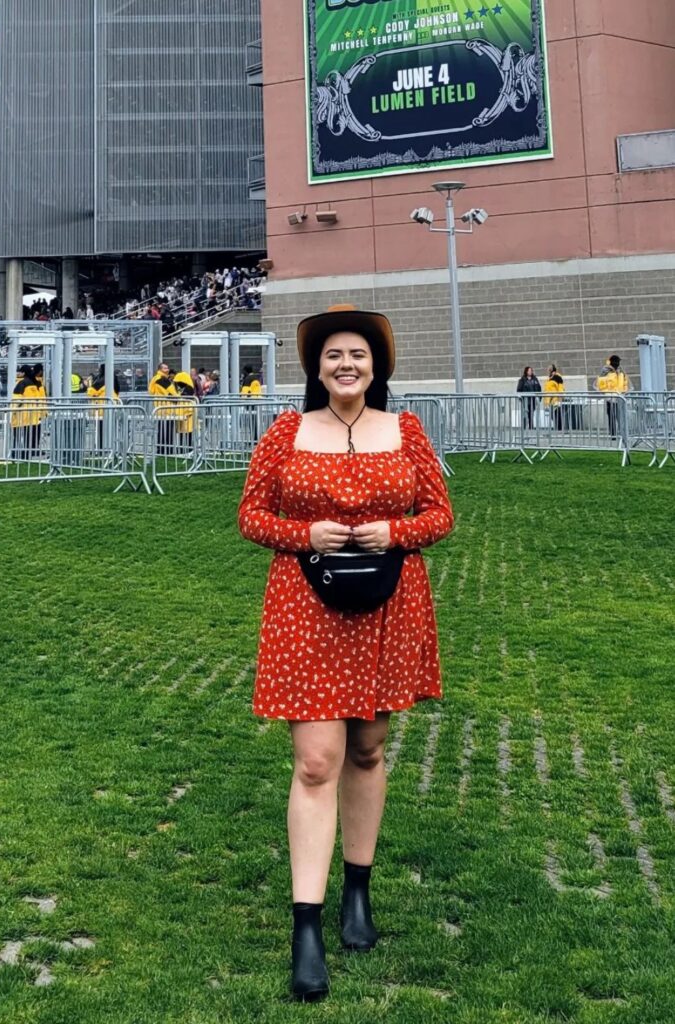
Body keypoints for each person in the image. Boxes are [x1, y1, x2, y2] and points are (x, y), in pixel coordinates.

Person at [238, 303, 454, 1001]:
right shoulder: (286, 432)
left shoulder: (406, 431)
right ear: (315, 366)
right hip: (305, 608)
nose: (345, 366)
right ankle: (307, 925)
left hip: (390, 604)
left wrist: (395, 530)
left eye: (357, 355)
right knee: (315, 761)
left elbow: (439, 514)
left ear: (376, 365)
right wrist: (305, 536)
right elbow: (250, 515)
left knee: (366, 748)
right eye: (333, 355)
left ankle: (356, 892)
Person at [11, 364, 46, 460]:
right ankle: (30, 452)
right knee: (31, 436)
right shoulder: (36, 383)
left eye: (20, 371)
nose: (18, 373)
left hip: (21, 415)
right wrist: (43, 412)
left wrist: (12, 411)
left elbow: (17, 399)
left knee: (18, 436)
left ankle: (16, 453)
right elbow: (41, 399)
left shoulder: (22, 383)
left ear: (23, 373)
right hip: (34, 415)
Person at [595, 354, 631, 439]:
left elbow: (625, 382)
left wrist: (625, 391)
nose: (618, 363)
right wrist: (606, 393)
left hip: (620, 397)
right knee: (611, 415)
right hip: (610, 397)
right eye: (617, 361)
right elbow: (601, 384)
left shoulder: (621, 371)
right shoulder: (605, 371)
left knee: (620, 415)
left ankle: (622, 433)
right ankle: (613, 434)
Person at [88, 363, 122, 450]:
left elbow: (90, 392)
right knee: (112, 429)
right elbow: (118, 390)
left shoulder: (101, 381)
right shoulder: (114, 378)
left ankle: (101, 448)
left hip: (101, 408)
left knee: (101, 430)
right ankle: (111, 448)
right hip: (113, 406)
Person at [148, 362, 178, 453]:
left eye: (167, 368)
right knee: (168, 430)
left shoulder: (156, 378)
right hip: (166, 408)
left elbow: (151, 391)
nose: (167, 370)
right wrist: (177, 398)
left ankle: (161, 449)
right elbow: (171, 393)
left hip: (160, 407)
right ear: (160, 369)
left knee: (162, 429)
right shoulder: (161, 379)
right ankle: (168, 450)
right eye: (165, 368)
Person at [542, 364, 565, 430]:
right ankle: (557, 426)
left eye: (549, 368)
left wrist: (561, 396)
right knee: (553, 414)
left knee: (557, 413)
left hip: (556, 398)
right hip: (549, 399)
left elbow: (561, 386)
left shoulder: (557, 376)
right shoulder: (549, 378)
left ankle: (559, 428)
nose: (548, 369)